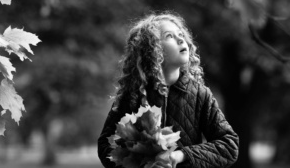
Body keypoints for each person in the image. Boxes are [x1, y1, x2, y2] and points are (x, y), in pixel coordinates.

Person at [98, 13, 239, 168]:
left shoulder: (200, 94)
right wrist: (137, 163)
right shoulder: (133, 94)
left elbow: (229, 145)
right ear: (152, 49)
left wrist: (182, 155)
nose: (180, 39)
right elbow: (106, 144)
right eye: (170, 36)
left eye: (181, 35)